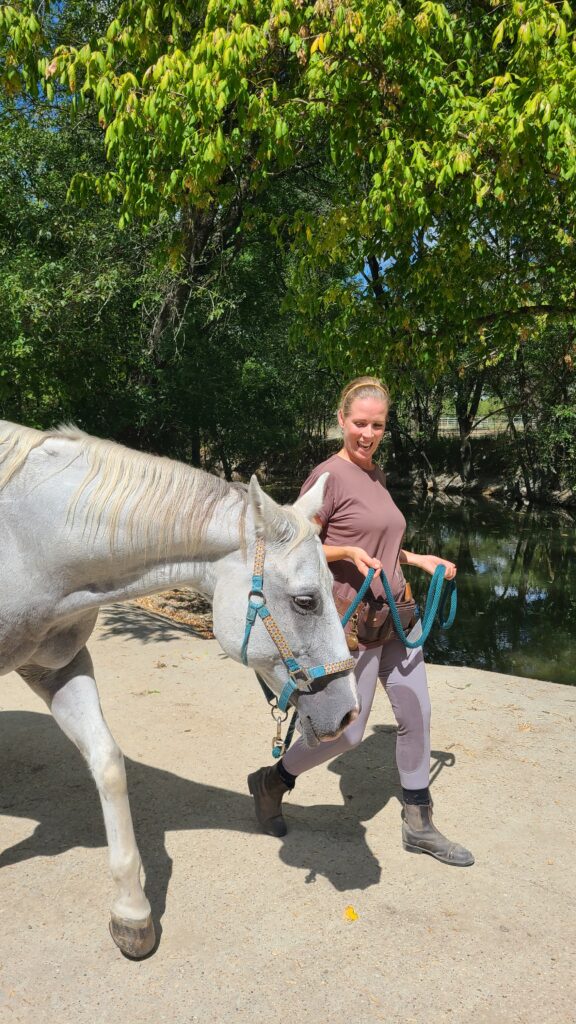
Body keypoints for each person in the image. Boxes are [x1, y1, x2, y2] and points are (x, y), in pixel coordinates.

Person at [248, 376, 474, 866]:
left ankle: (420, 823)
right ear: (341, 421)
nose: (367, 433)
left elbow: (385, 541)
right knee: (349, 732)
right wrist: (346, 550)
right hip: (354, 622)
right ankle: (272, 781)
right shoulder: (326, 477)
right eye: (359, 423)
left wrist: (419, 560)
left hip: (399, 613)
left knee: (417, 716)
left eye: (377, 424)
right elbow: (293, 548)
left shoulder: (376, 474)